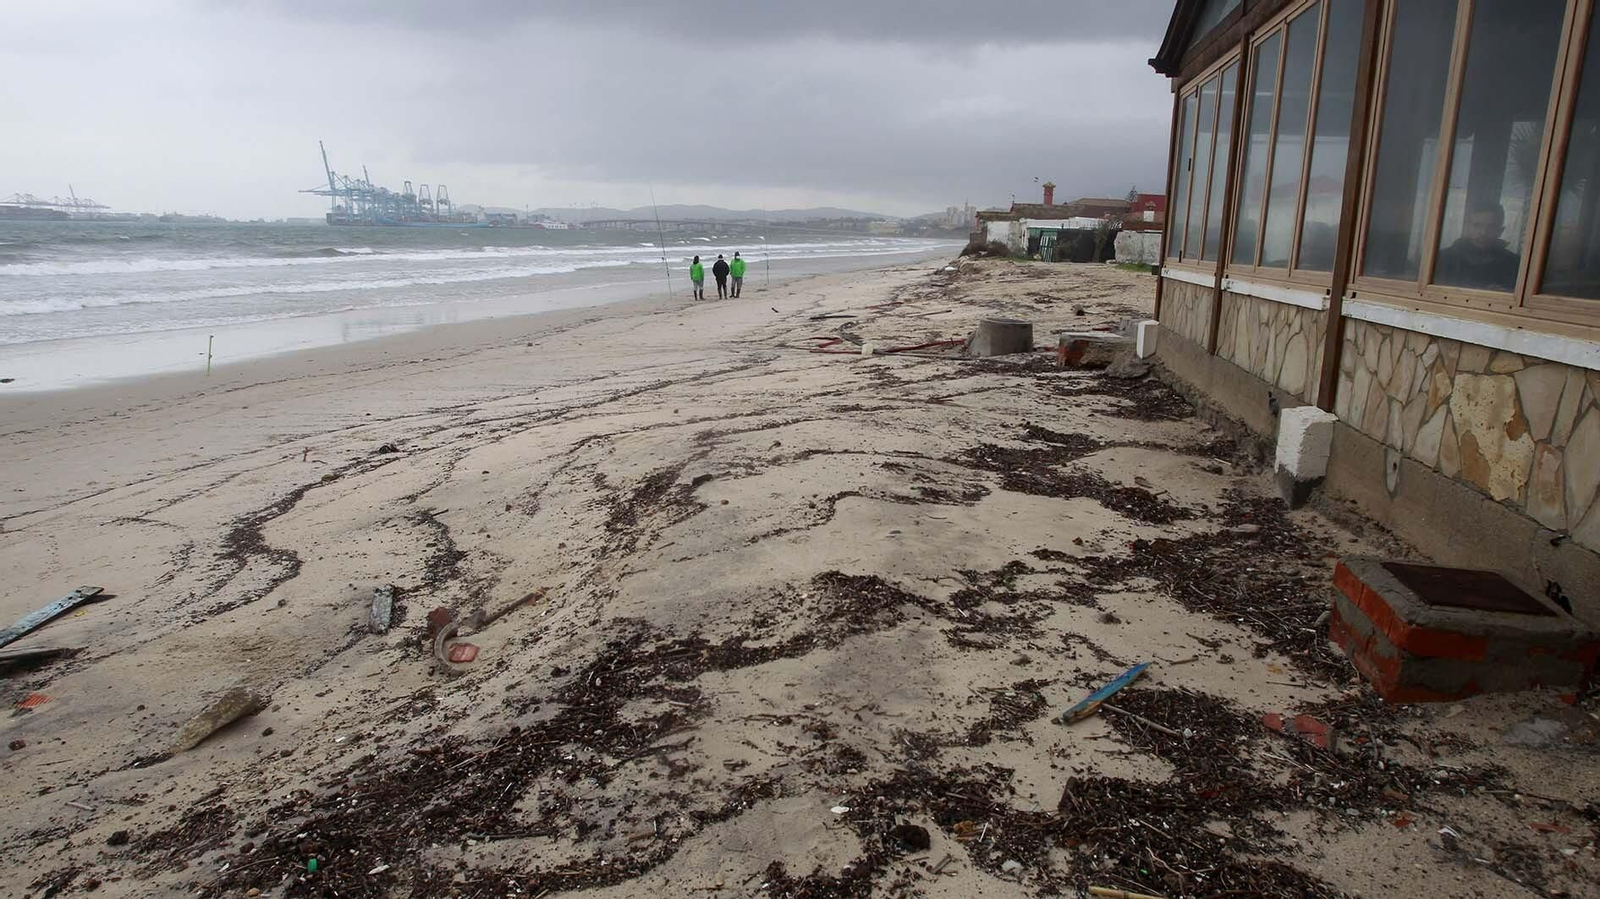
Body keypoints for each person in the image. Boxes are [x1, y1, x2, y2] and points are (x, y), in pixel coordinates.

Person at [1435, 203, 1520, 292]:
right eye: (1477, 225)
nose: (1483, 232)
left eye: (1491, 227)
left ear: (1500, 231)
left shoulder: (1514, 264)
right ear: (1466, 227)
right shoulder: (1443, 258)